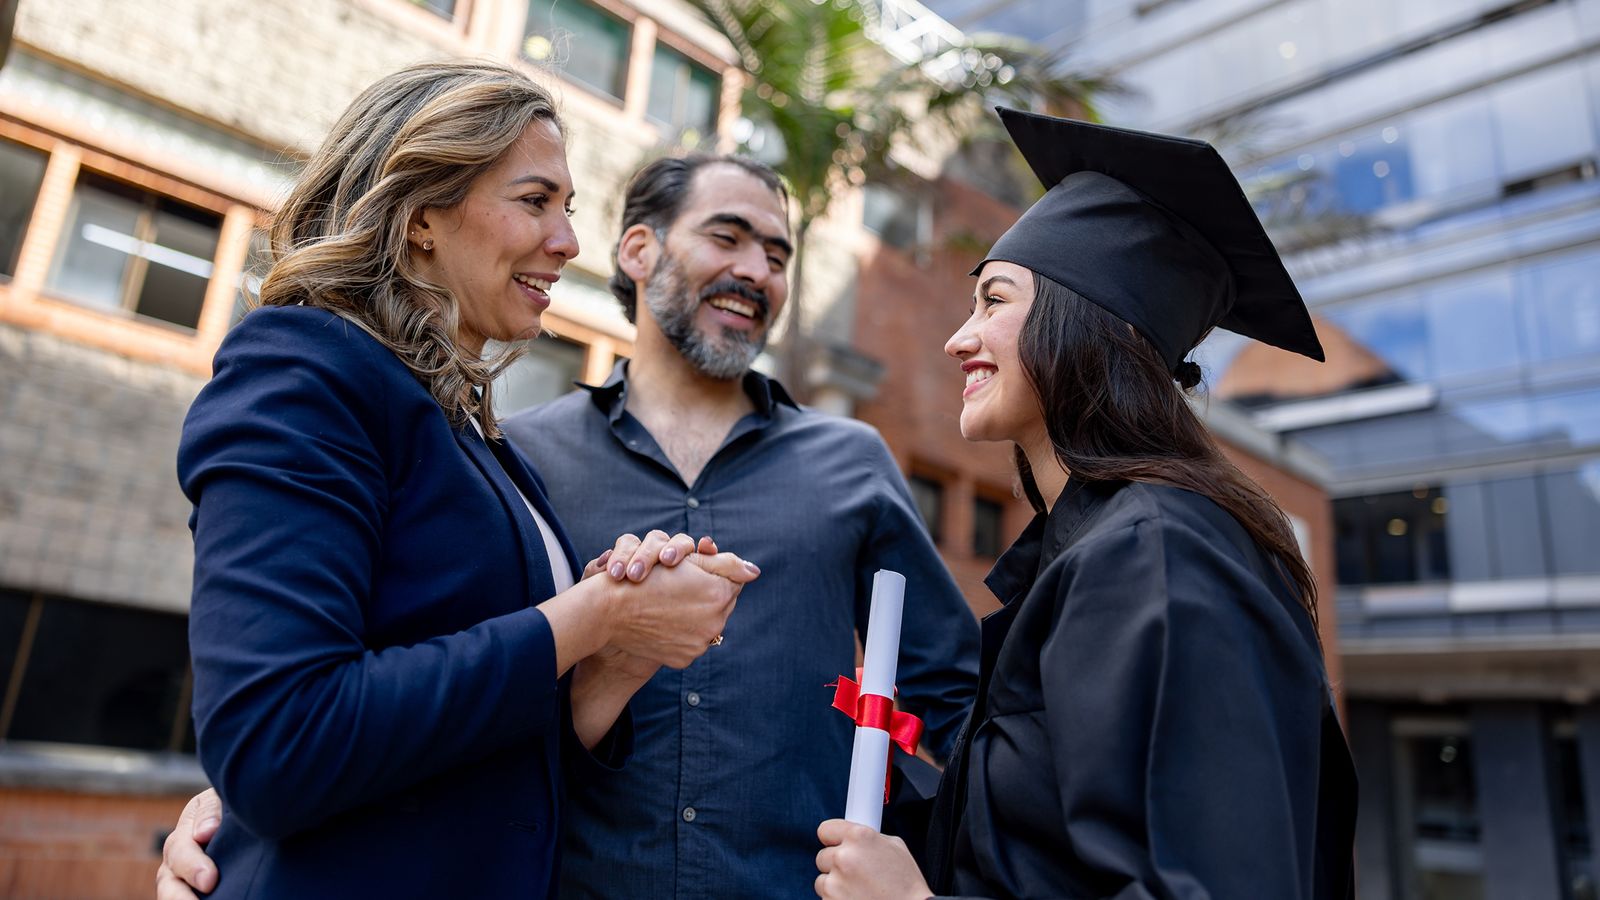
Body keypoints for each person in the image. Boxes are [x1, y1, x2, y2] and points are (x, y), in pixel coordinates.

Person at [158, 151, 980, 899]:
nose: (755, 270)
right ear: (637, 251)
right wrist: (235, 803)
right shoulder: (514, 459)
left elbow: (957, 702)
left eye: (777, 255)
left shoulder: (855, 461)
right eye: (728, 237)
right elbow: (404, 683)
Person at [163, 60, 757, 899]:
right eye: (535, 200)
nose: (568, 242)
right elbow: (277, 743)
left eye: (570, 208)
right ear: (421, 216)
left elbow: (487, 762)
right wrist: (593, 614)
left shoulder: (472, 430)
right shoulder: (302, 369)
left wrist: (614, 660)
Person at [814, 108, 1358, 899]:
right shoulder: (1093, 551)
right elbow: (1045, 853)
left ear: (1084, 322)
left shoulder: (1162, 554)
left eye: (993, 301)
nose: (957, 340)